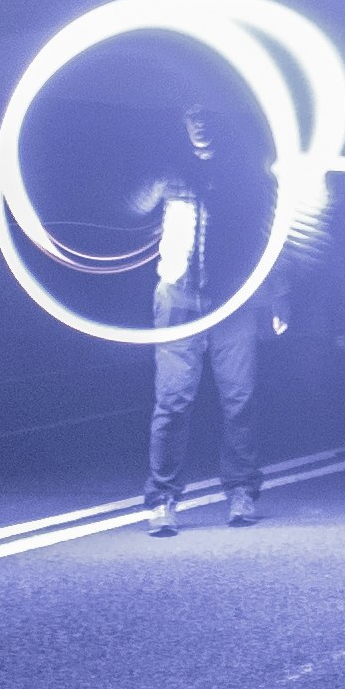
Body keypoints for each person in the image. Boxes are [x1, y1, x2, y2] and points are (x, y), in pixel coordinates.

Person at [135, 110, 264, 533]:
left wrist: (276, 296)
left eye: (209, 114)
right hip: (177, 299)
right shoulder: (170, 166)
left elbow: (265, 231)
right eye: (192, 115)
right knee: (173, 401)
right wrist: (156, 184)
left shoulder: (242, 170)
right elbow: (130, 206)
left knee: (239, 399)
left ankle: (241, 490)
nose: (201, 123)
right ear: (183, 121)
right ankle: (162, 499)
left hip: (233, 299)